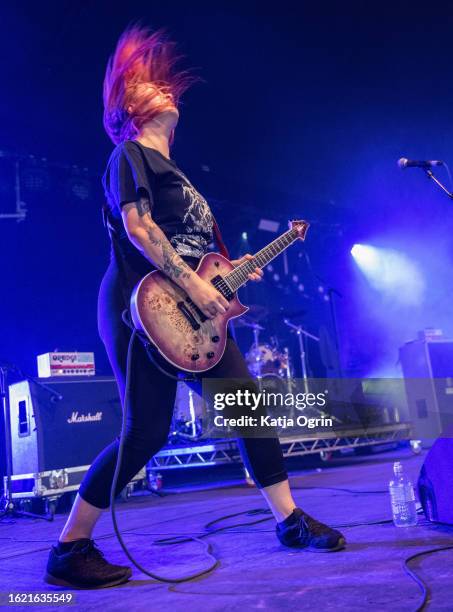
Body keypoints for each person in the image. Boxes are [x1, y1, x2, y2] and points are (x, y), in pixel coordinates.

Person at [45, 26, 345, 590]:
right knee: (145, 434)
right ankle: (69, 548)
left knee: (247, 408)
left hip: (195, 310)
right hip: (141, 305)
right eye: (147, 84)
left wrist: (228, 282)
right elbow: (139, 227)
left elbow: (203, 257)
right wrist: (194, 282)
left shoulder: (181, 176)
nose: (164, 88)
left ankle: (289, 520)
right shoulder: (129, 155)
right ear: (128, 109)